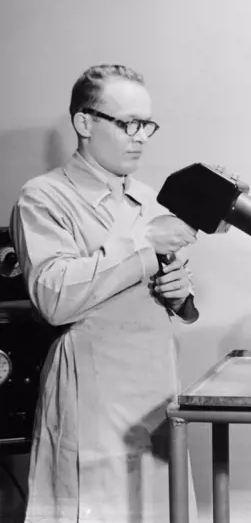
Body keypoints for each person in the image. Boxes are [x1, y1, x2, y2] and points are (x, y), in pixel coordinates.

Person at [9, 64, 200, 523]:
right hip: (94, 398)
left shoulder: (151, 198)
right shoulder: (43, 198)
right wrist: (144, 244)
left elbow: (167, 289)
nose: (141, 138)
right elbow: (53, 297)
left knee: (159, 509)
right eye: (128, 124)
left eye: (147, 126)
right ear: (84, 123)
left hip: (156, 394)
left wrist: (180, 294)